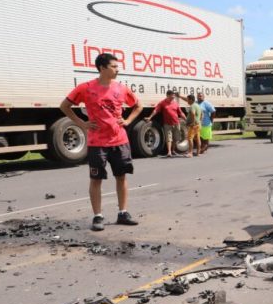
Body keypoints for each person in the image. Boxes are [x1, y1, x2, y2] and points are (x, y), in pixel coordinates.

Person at [59, 53, 142, 231]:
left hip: (119, 140)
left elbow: (138, 106)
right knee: (96, 179)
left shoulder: (121, 88)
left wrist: (127, 121)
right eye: (114, 66)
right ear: (102, 68)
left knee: (121, 177)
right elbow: (64, 106)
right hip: (97, 143)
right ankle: (98, 216)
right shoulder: (86, 88)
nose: (117, 69)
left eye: (117, 66)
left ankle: (123, 213)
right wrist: (82, 123)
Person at [146, 90, 185, 157]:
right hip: (167, 124)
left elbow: (180, 113)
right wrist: (150, 117)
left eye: (174, 95)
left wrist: (186, 119)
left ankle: (173, 150)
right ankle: (169, 152)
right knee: (168, 138)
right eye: (172, 95)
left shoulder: (175, 103)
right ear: (167, 95)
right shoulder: (162, 103)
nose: (173, 97)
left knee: (176, 138)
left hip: (176, 123)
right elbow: (156, 110)